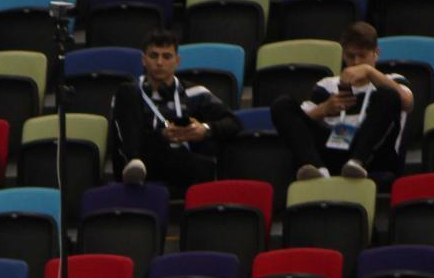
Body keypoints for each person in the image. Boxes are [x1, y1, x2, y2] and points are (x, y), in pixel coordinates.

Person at [271, 23, 412, 181]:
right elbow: (298, 125)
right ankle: (319, 170)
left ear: (376, 53)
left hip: (374, 154)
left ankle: (358, 162)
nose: (356, 62)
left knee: (389, 94)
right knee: (282, 105)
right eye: (350, 56)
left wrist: (369, 71)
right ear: (343, 55)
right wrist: (324, 109)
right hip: (336, 144)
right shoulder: (326, 85)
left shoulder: (391, 80)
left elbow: (407, 101)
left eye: (362, 56)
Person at [112, 30, 241, 194]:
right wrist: (161, 135)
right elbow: (124, 135)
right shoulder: (131, 93)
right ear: (143, 60)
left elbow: (234, 122)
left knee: (202, 161)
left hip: (179, 158)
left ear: (177, 61)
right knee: (126, 90)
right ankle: (133, 163)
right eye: (153, 56)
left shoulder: (195, 92)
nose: (159, 63)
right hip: (143, 157)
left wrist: (204, 130)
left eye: (166, 57)